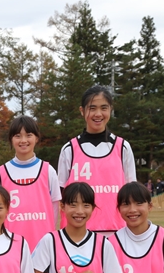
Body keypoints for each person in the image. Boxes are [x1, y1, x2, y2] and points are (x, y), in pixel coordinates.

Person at [57, 85, 136, 232]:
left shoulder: (122, 147)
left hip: (116, 232)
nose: (98, 114)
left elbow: (132, 193)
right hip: (77, 234)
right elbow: (60, 195)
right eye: (92, 108)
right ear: (82, 111)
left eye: (103, 108)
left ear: (110, 110)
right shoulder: (69, 149)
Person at [0, 116, 60, 251]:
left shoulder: (48, 170)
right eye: (18, 136)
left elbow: (55, 209)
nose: (23, 140)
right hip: (10, 247)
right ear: (11, 139)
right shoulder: (1, 173)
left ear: (36, 138)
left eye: (28, 135)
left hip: (43, 247)